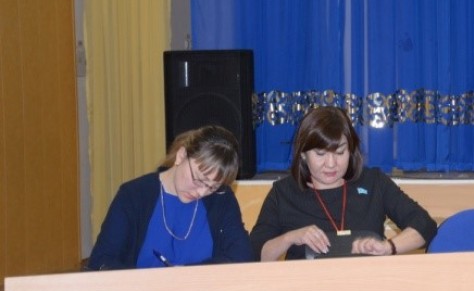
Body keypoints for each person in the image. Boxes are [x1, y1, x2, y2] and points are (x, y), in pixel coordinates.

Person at [250, 106, 438, 260]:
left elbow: (425, 226)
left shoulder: (373, 182)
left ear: (351, 150)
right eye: (320, 154)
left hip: (366, 286)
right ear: (303, 154)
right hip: (308, 290)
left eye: (340, 152)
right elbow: (255, 254)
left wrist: (388, 247)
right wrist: (290, 238)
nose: (331, 164)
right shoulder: (283, 193)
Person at [87, 125, 254, 269]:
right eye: (198, 179)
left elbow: (242, 255)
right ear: (181, 156)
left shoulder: (221, 199)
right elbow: (101, 260)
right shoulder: (134, 195)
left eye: (212, 187)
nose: (201, 192)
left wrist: (186, 275)